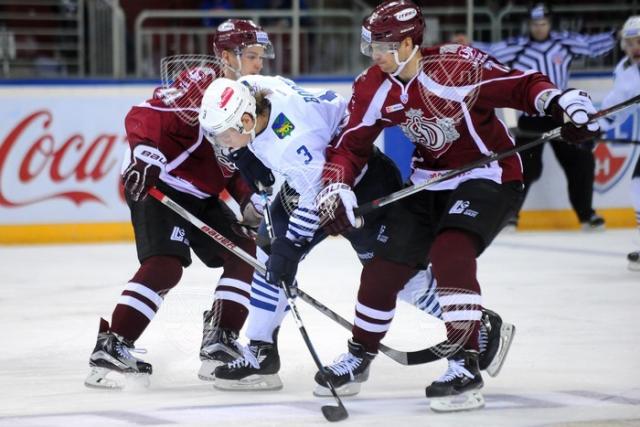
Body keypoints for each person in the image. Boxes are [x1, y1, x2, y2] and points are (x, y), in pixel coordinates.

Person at [314, 0, 599, 412]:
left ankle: (464, 362)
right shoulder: (374, 85)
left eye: (382, 45)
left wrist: (562, 103)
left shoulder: (456, 67)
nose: (374, 54)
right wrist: (335, 185)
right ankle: (360, 354)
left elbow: (521, 85)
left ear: (409, 43)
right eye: (370, 45)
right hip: (427, 182)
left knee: (451, 251)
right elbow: (349, 145)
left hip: (489, 174)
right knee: (383, 265)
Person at [197, 75, 513, 394]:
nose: (221, 143)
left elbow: (315, 200)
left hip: (359, 187)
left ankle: (477, 324)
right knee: (267, 255)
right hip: (315, 178)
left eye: (225, 135)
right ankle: (261, 351)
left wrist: (290, 247)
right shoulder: (251, 89)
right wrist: (244, 153)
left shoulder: (294, 143)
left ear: (248, 120)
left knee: (395, 278)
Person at [85, 19, 274, 389]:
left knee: (245, 254)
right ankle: (113, 345)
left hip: (201, 195)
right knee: (165, 266)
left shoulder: (252, 98)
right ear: (226, 57)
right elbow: (146, 113)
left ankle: (220, 341)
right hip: (162, 184)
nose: (259, 64)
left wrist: (248, 197)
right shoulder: (202, 83)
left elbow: (232, 161)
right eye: (251, 56)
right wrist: (144, 152)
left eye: (260, 56)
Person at [458, 3, 615, 231]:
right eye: (535, 24)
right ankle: (511, 215)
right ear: (528, 25)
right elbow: (489, 50)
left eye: (543, 24)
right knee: (524, 167)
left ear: (550, 24)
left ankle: (586, 215)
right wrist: (465, 45)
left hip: (561, 114)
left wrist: (618, 36)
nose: (539, 28)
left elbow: (591, 45)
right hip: (531, 116)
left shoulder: (563, 43)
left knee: (580, 162)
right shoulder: (518, 47)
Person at [598, 16, 640, 271]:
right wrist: (593, 128)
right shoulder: (626, 71)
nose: (635, 47)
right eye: (630, 42)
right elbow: (616, 108)